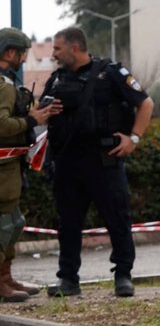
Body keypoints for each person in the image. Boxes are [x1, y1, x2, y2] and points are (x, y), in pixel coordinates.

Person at [43, 26, 154, 298]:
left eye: (58, 48)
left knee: (118, 220)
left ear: (75, 47)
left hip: (104, 160)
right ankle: (68, 279)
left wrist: (134, 139)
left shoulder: (111, 73)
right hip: (68, 162)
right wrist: (45, 112)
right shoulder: (56, 79)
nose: (54, 54)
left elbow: (146, 104)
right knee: (68, 224)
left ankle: (123, 276)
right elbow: (42, 114)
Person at [0, 28, 60, 302]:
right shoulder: (1, 85)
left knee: (13, 220)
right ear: (10, 53)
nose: (24, 58)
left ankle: (4, 277)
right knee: (1, 223)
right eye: (22, 53)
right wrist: (32, 120)